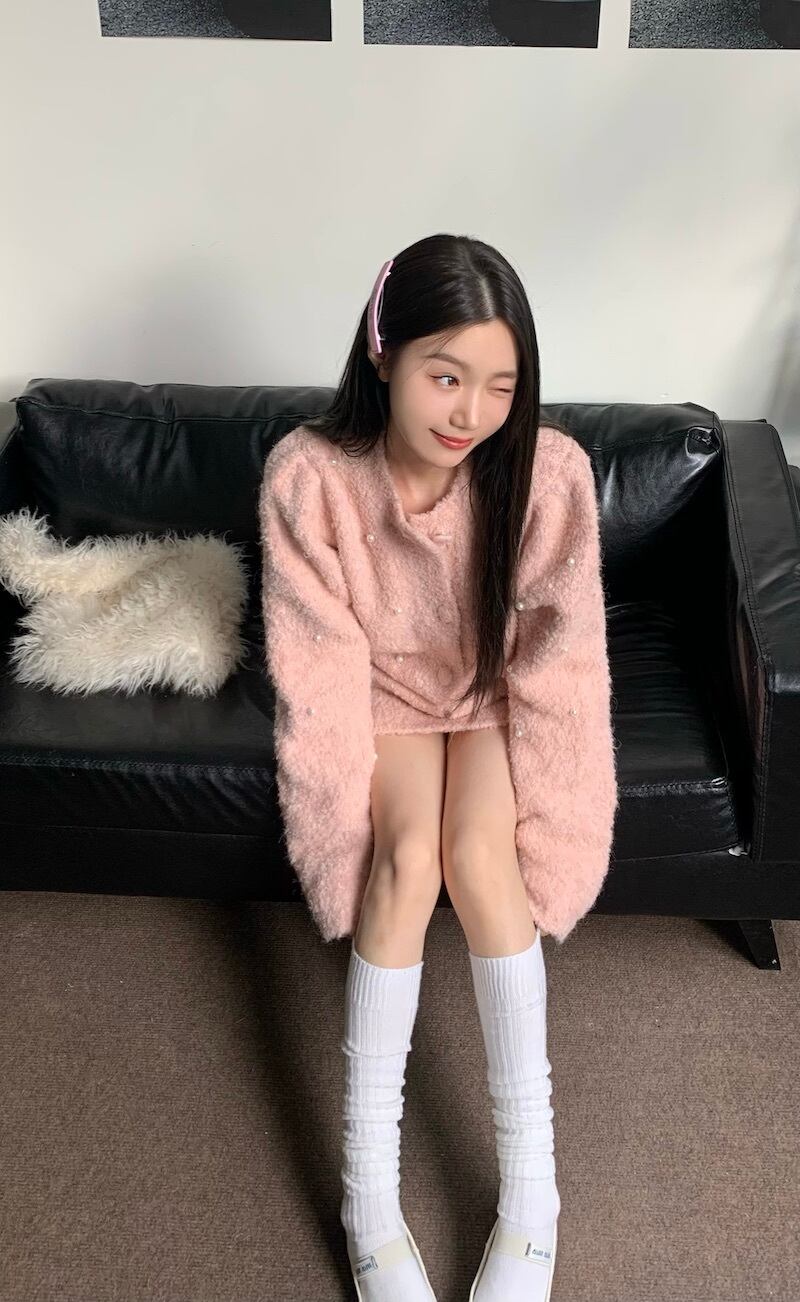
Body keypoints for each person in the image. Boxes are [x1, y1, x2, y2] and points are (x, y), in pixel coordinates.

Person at [258, 233, 619, 1301]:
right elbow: (316, 665)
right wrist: (331, 818)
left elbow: (563, 651)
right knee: (407, 857)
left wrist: (560, 796)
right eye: (445, 376)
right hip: (382, 694)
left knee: (482, 857)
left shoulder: (549, 471)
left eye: (500, 385)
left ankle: (533, 1197)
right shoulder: (309, 476)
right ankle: (366, 1195)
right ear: (383, 353)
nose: (470, 412)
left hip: (499, 694)